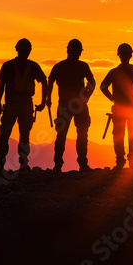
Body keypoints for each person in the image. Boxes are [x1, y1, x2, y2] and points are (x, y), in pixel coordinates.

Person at [0, 38, 47, 174]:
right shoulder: (31, 66)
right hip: (20, 105)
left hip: (15, 105)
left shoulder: (9, 65)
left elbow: (2, 85)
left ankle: (3, 165)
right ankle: (19, 165)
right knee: (21, 135)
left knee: (7, 135)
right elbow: (44, 82)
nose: (24, 53)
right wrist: (42, 102)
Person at [47, 39, 95, 172]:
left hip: (66, 105)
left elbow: (50, 82)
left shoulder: (59, 66)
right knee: (81, 134)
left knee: (62, 135)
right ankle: (82, 165)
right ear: (79, 52)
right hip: (79, 105)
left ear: (68, 51)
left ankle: (58, 166)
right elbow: (92, 82)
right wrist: (87, 95)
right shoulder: (82, 66)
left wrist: (48, 99)